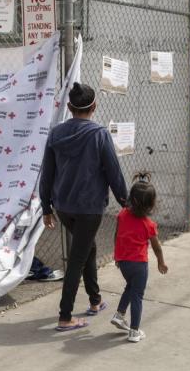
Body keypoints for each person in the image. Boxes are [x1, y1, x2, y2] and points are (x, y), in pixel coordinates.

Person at [40, 82, 128, 331]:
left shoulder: (56, 134)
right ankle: (65, 316)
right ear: (94, 106)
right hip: (89, 208)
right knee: (78, 258)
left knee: (87, 248)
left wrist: (46, 206)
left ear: (69, 107)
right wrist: (126, 202)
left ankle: (95, 300)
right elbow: (114, 173)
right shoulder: (99, 134)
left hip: (64, 207)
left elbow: (47, 174)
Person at [110, 174, 168, 343]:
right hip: (139, 265)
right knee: (137, 296)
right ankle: (134, 331)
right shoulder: (148, 225)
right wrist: (161, 262)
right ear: (151, 205)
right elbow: (156, 247)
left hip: (124, 262)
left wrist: (117, 255)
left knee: (130, 286)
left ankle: (119, 315)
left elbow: (117, 235)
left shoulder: (122, 215)